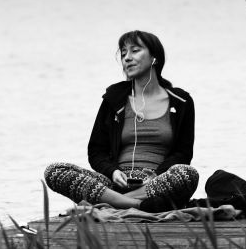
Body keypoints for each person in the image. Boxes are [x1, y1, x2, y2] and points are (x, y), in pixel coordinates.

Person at [44, 30, 199, 212]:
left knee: (187, 174)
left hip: (155, 184)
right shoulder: (114, 99)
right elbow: (96, 151)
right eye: (123, 53)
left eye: (135, 51)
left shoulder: (181, 101)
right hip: (114, 183)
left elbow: (183, 152)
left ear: (154, 57)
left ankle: (112, 203)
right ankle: (135, 205)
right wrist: (113, 172)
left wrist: (157, 175)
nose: (127, 58)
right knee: (55, 171)